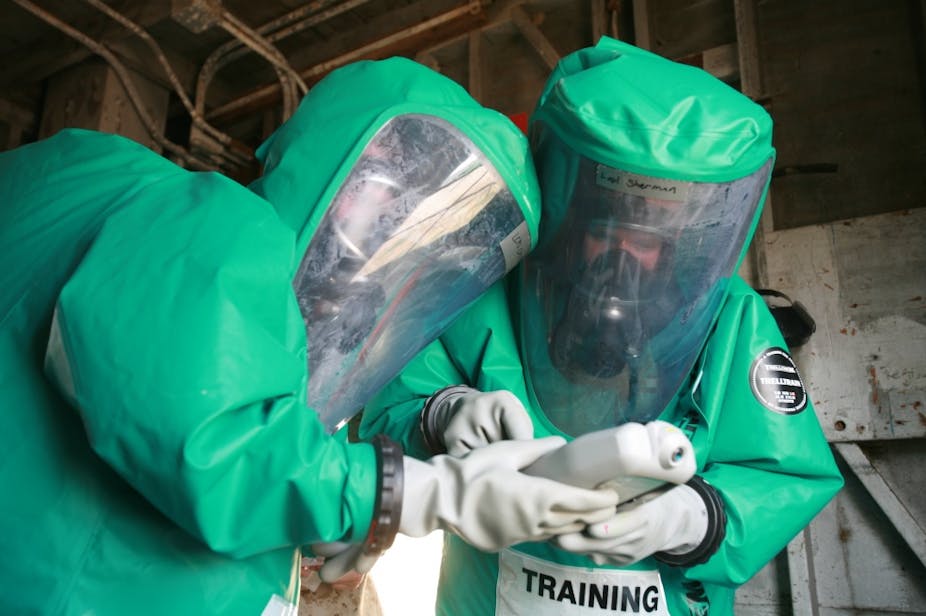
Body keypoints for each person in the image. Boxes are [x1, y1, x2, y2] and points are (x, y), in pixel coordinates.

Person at [0, 57, 620, 615]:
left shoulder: (265, 345)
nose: (392, 273)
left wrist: (334, 519)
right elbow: (200, 431)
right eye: (395, 205)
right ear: (360, 162)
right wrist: (413, 494)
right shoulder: (212, 224)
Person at [360, 38, 845, 615]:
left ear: (684, 240)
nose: (620, 259)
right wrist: (443, 413)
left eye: (646, 238)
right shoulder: (487, 287)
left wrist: (694, 518)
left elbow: (786, 474)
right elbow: (386, 410)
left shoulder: (731, 319)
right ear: (572, 211)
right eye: (606, 230)